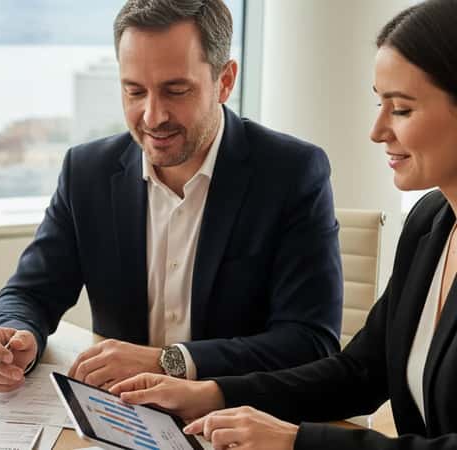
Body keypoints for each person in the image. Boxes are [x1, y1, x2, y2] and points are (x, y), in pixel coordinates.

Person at [110, 0, 457, 448]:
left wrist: (297, 442)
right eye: (379, 103)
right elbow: (360, 373)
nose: (376, 130)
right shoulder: (431, 223)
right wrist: (210, 394)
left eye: (402, 109)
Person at [0, 0, 343, 394]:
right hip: (119, 417)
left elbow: (311, 342)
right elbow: (30, 292)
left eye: (176, 90)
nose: (152, 116)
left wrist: (170, 361)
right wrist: (13, 334)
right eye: (134, 91)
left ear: (225, 80)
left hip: (233, 418)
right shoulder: (87, 173)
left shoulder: (291, 173)